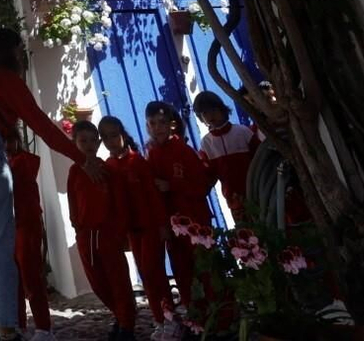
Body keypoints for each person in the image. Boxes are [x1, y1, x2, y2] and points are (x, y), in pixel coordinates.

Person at [0, 27, 102, 341]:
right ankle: (5, 327)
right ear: (11, 50)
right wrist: (82, 158)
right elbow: (42, 126)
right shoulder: (7, 80)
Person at [100, 115, 179, 338]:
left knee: (155, 273)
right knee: (146, 275)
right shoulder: (109, 166)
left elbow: (154, 197)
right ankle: (159, 319)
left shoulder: (138, 162)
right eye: (105, 137)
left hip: (150, 226)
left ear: (123, 135)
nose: (111, 141)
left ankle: (171, 320)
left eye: (114, 135)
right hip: (132, 231)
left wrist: (162, 225)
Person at [144, 100, 217, 320]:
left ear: (172, 125)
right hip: (172, 225)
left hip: (195, 221)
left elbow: (202, 185)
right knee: (182, 271)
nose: (158, 128)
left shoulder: (184, 151)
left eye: (162, 122)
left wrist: (172, 185)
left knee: (205, 270)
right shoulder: (151, 154)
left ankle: (219, 318)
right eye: (152, 123)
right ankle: (196, 318)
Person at [67, 121, 137, 341]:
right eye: (83, 141)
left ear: (98, 144)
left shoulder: (108, 170)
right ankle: (119, 315)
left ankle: (127, 325)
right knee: (98, 282)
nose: (88, 145)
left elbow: (120, 203)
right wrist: (77, 226)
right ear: (75, 143)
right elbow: (72, 201)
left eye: (92, 140)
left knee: (118, 281)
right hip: (86, 236)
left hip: (108, 234)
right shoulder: (75, 171)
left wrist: (119, 232)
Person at [4, 126, 54, 341]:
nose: (6, 145)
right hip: (9, 226)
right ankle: (19, 324)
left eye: (9, 140)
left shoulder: (24, 161)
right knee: (12, 278)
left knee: (31, 275)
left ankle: (43, 327)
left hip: (27, 224)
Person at [193, 90, 261, 218]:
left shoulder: (242, 132)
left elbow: (260, 158)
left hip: (257, 192)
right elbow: (208, 174)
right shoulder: (206, 143)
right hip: (234, 200)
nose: (210, 116)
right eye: (205, 113)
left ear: (222, 109)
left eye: (213, 110)